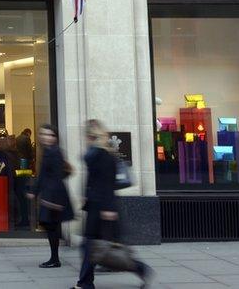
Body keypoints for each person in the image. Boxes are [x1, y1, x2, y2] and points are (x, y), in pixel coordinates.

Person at [74, 119, 153, 289]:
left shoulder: (102, 156)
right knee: (92, 247)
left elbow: (106, 184)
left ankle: (139, 269)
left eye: (86, 136)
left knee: (95, 247)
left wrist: (108, 208)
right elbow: (95, 181)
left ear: (90, 136)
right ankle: (86, 283)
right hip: (97, 206)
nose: (85, 140)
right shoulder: (96, 155)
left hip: (103, 208)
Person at [27, 124, 74, 268]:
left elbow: (52, 175)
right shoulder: (51, 151)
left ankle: (55, 259)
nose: (47, 137)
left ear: (55, 137)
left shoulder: (52, 152)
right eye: (44, 134)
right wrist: (36, 191)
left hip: (53, 196)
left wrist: (37, 192)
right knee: (51, 227)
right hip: (52, 194)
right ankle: (54, 258)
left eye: (51, 135)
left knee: (51, 227)